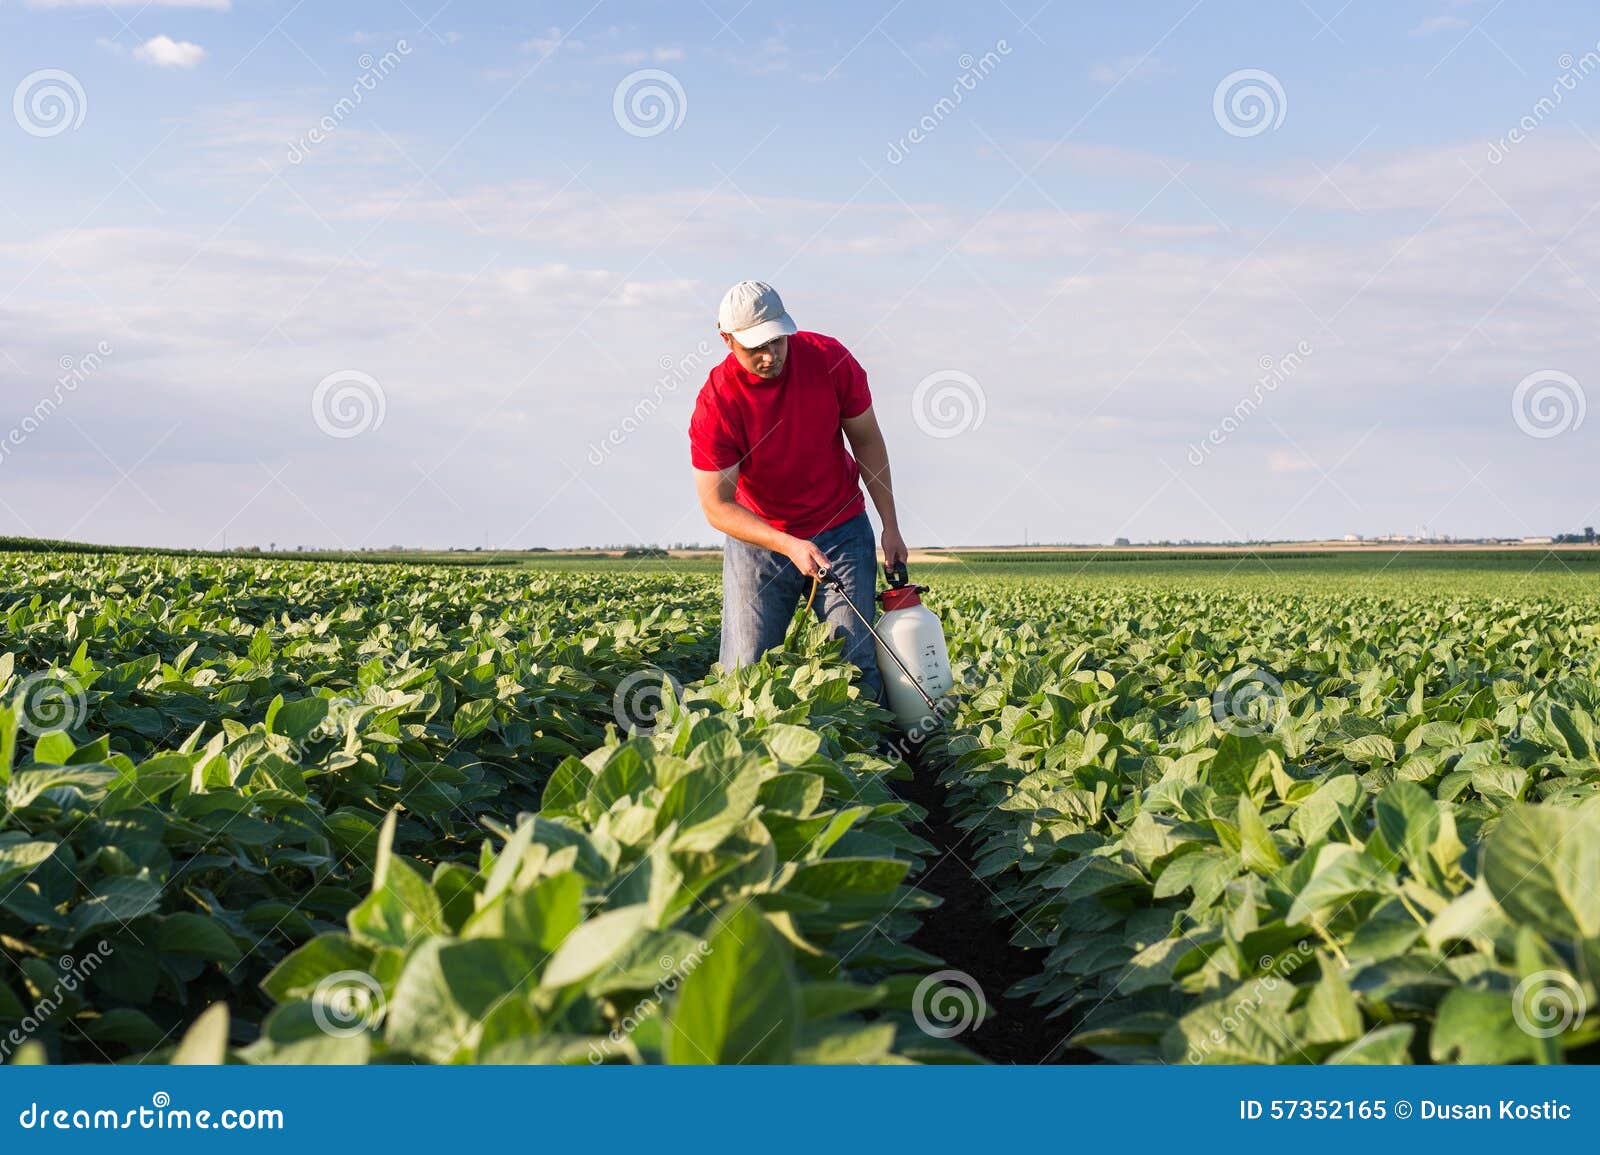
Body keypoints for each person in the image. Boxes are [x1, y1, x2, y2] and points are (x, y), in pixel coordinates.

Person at [689, 281, 906, 702]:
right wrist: (788, 544)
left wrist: (890, 526)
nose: (770, 355)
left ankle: (868, 743)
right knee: (744, 668)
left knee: (854, 664)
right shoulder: (717, 403)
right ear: (727, 340)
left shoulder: (829, 359)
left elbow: (867, 441)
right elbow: (717, 506)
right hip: (759, 539)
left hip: (841, 527)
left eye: (777, 340)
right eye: (756, 347)